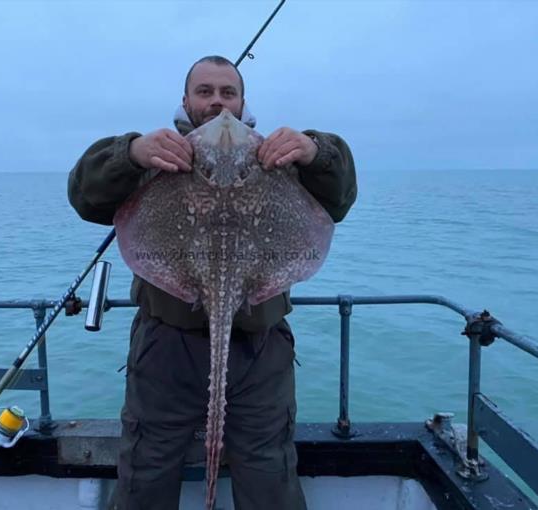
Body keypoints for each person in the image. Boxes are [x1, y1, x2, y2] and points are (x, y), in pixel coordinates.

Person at [67, 55, 357, 510]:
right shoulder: (158, 155)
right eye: (205, 92)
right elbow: (84, 195)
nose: (217, 103)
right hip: (166, 346)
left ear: (243, 102)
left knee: (269, 468)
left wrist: (316, 150)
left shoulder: (277, 157)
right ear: (185, 101)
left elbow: (339, 198)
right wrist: (131, 152)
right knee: (147, 464)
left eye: (227, 92)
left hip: (260, 349)